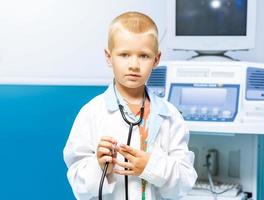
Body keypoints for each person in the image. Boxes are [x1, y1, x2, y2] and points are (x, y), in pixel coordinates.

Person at [63, 11, 197, 200]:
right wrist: (100, 168)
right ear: (109, 57)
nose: (134, 64)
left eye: (143, 56)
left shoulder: (170, 116)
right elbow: (78, 185)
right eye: (124, 55)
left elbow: (184, 183)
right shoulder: (91, 113)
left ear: (156, 59)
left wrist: (151, 166)